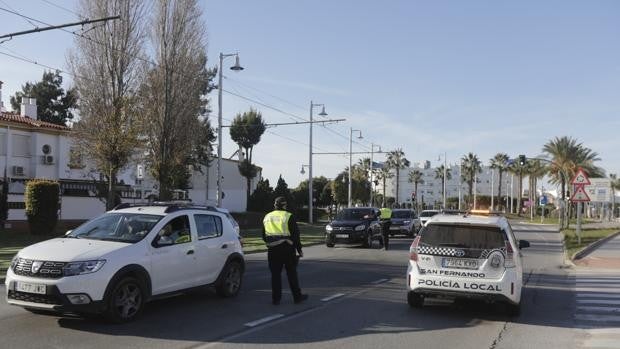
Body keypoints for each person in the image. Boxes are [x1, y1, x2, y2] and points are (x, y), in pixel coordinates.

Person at [262, 196, 308, 305]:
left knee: (275, 275)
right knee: (291, 274)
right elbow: (296, 235)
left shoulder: (267, 217)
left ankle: (276, 299)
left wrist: (271, 243)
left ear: (275, 205)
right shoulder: (288, 216)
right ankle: (297, 297)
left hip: (272, 250)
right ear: (284, 205)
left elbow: (263, 235)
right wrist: (299, 249)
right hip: (287, 249)